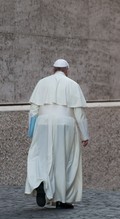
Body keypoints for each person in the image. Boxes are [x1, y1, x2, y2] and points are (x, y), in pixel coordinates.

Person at [25, 59, 89, 209]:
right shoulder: (73, 85)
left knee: (40, 157)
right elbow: (79, 113)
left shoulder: (42, 83)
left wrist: (32, 131)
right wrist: (85, 135)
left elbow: (33, 110)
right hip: (65, 124)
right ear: (67, 70)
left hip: (42, 123)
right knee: (65, 161)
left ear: (53, 69)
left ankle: (40, 182)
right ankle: (62, 199)